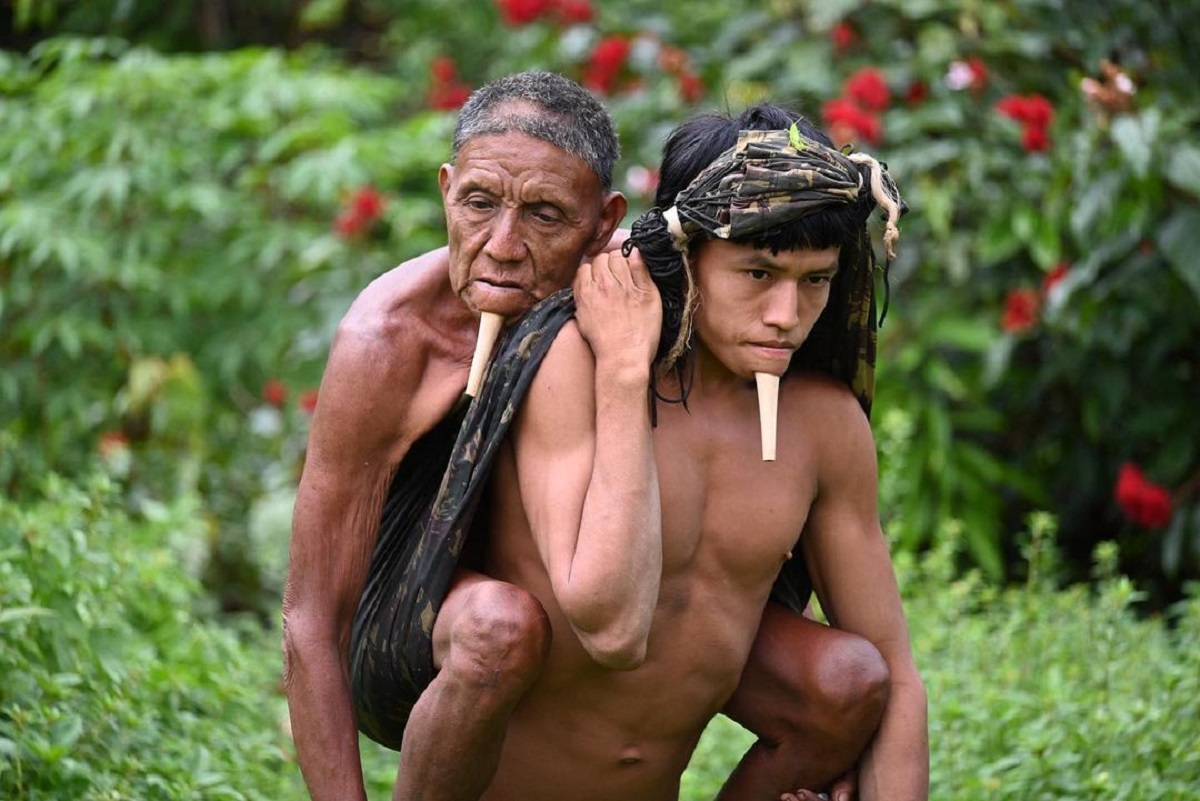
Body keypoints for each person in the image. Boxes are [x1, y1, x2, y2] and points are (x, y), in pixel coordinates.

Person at [283, 70, 888, 801]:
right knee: (498, 627)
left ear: (605, 225)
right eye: (479, 203)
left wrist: (835, 735)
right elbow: (313, 615)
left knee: (841, 680)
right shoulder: (391, 339)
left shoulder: (639, 295)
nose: (503, 246)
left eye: (544, 215)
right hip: (440, 625)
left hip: (598, 630)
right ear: (446, 190)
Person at [472, 107, 928, 800]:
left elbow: (897, 676)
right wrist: (625, 370)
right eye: (758, 273)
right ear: (684, 257)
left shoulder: (822, 426)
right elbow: (610, 627)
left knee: (853, 676)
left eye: (815, 280)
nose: (786, 315)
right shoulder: (574, 362)